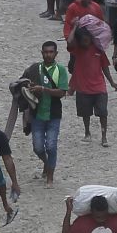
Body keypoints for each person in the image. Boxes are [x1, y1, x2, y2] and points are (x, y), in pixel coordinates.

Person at [21, 41, 69, 186]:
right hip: (37, 114)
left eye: (51, 52)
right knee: (38, 147)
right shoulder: (35, 69)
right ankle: (48, 164)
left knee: (51, 146)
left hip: (53, 114)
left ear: (56, 53)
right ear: (42, 53)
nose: (48, 54)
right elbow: (22, 82)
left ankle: (50, 176)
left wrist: (43, 89)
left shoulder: (60, 70)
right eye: (46, 52)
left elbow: (61, 92)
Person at [67, 23, 117, 147]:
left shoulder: (99, 50)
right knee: (85, 114)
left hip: (99, 87)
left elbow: (105, 67)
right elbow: (69, 42)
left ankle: (104, 136)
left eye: (87, 39)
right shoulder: (77, 50)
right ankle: (87, 132)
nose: (86, 42)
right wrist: (74, 27)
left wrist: (111, 82)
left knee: (103, 113)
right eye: (83, 40)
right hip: (83, 88)